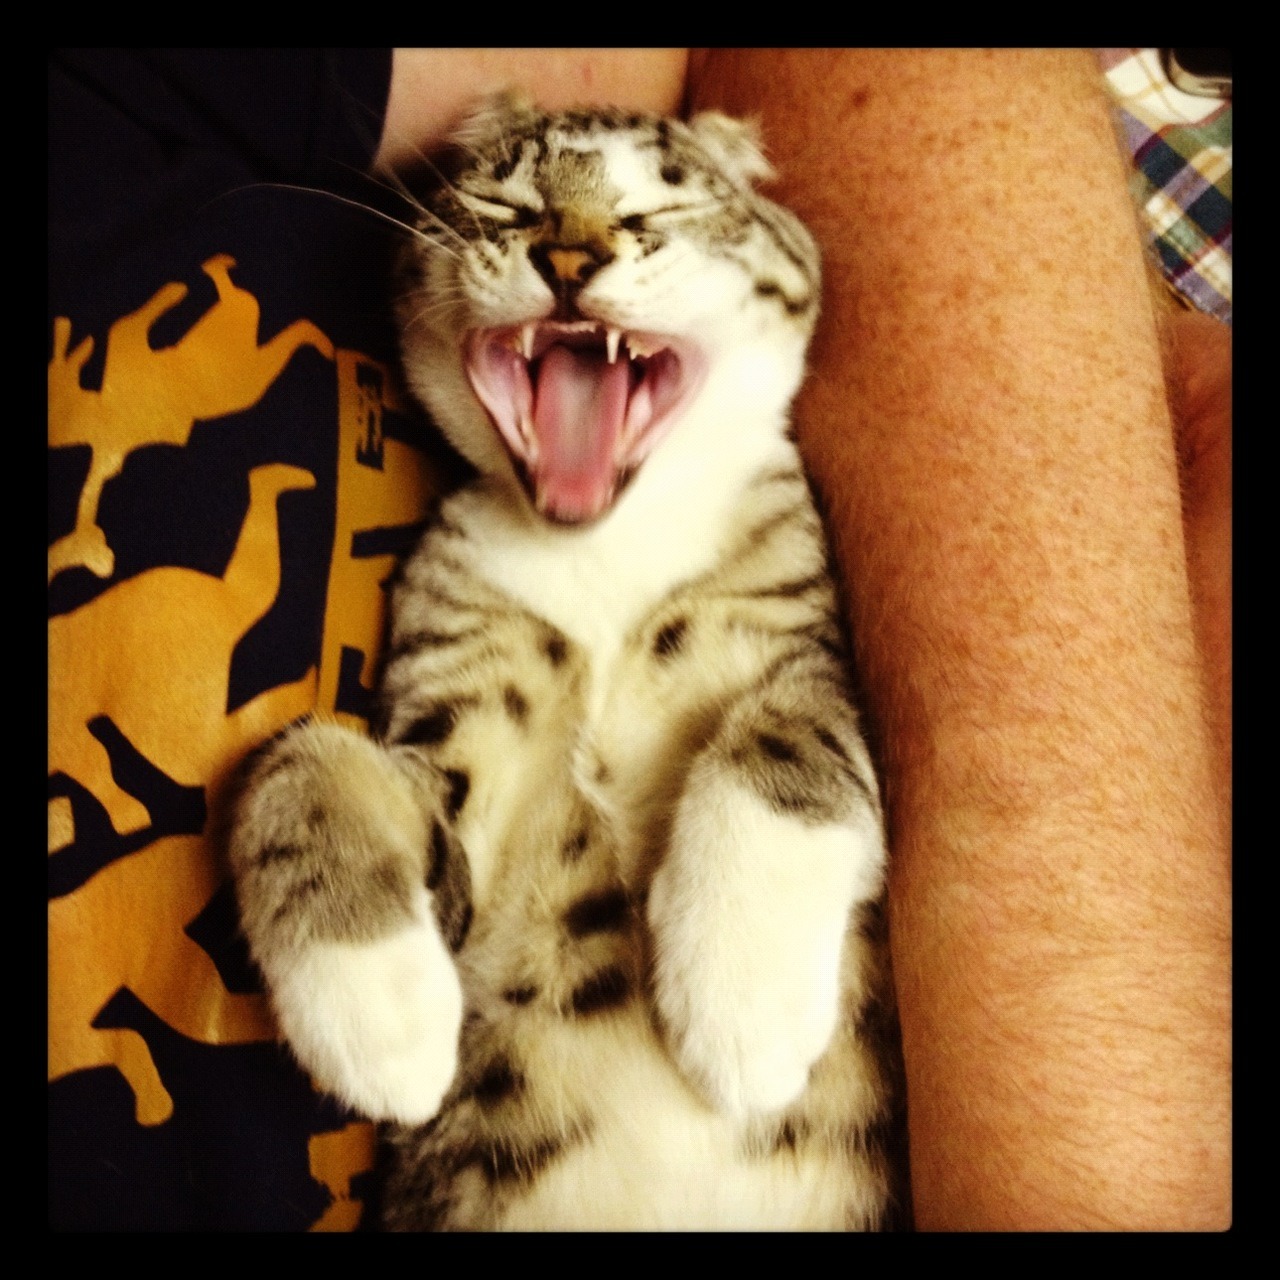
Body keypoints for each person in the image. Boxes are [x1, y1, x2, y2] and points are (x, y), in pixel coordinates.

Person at [49, 49, 1230, 1230]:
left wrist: (788, 782)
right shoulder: (462, 576)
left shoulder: (793, 528)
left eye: (663, 218)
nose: (572, 247)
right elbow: (437, 857)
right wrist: (310, 818)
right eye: (505, 211)